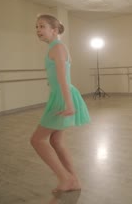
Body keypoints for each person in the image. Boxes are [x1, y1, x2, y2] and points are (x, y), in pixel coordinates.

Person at [30, 14, 90, 194]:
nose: (38, 30)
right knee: (56, 140)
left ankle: (65, 179)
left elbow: (63, 80)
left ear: (54, 30)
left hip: (62, 98)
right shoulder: (56, 47)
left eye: (42, 26)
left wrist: (69, 105)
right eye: (37, 27)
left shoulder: (57, 48)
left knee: (37, 140)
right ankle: (74, 181)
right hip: (61, 96)